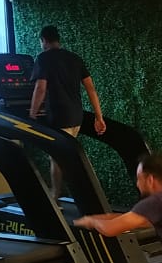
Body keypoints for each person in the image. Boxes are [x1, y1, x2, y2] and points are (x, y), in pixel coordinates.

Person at [28, 25, 106, 200]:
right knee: (64, 156)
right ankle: (70, 196)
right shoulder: (74, 58)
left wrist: (32, 114)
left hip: (59, 117)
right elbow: (91, 89)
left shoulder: (43, 58)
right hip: (76, 118)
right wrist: (98, 117)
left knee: (56, 158)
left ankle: (56, 195)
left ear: (43, 40)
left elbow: (40, 88)